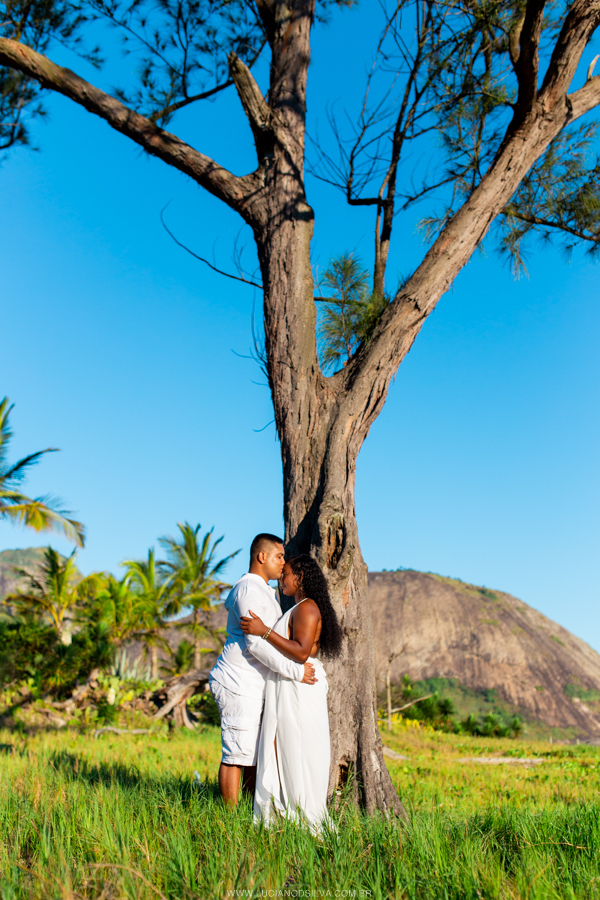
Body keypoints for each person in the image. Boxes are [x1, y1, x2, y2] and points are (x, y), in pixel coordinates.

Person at [209, 534, 317, 806]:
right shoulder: (248, 590)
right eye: (279, 556)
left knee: (253, 753)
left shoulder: (264, 591)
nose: (283, 563)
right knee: (236, 753)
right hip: (239, 682)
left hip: (255, 683)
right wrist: (295, 672)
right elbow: (256, 645)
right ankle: (228, 822)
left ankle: (249, 811)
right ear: (262, 557)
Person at [240, 554, 343, 832]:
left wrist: (263, 632)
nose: (281, 579)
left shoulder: (307, 608)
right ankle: (288, 809)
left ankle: (303, 814)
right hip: (292, 686)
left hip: (299, 688)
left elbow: (299, 652)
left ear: (299, 577)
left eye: (285, 574)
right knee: (286, 746)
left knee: (297, 748)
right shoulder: (301, 607)